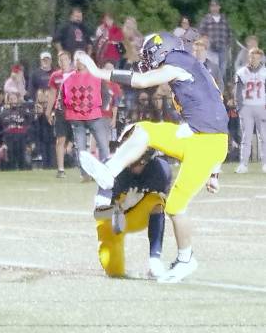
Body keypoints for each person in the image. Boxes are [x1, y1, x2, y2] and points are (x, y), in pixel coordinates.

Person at [78, 32, 228, 283]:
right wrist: (214, 172)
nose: (147, 59)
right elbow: (216, 112)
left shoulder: (179, 63)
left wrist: (97, 71)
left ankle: (185, 259)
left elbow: (140, 81)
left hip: (206, 143)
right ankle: (110, 170)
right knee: (145, 130)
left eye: (149, 54)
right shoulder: (192, 67)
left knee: (175, 206)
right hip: (196, 135)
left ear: (162, 49)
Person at [95, 143, 172, 279]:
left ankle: (155, 260)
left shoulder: (160, 170)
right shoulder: (111, 168)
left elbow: (169, 206)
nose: (136, 165)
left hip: (137, 214)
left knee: (157, 201)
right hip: (114, 217)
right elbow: (98, 213)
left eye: (141, 162)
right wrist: (123, 206)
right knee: (115, 272)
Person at [61, 53, 109, 180]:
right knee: (81, 148)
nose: (78, 62)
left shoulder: (94, 76)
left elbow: (105, 93)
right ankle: (85, 174)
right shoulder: (93, 76)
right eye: (77, 60)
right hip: (78, 118)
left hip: (93, 115)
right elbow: (63, 97)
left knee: (103, 146)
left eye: (80, 60)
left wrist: (101, 108)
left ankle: (105, 172)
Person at [234, 48, 266, 174]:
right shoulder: (242, 72)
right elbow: (238, 92)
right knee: (246, 138)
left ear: (261, 58)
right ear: (249, 57)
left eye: (257, 57)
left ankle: (265, 164)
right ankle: (243, 164)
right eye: (252, 57)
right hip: (246, 107)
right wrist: (240, 108)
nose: (254, 60)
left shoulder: (264, 72)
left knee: (264, 137)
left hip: (261, 107)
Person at [46, 51, 74, 178]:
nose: (63, 62)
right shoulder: (55, 76)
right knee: (60, 138)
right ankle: (61, 169)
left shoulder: (75, 74)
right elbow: (52, 94)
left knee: (77, 137)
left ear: (70, 60)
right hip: (60, 110)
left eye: (65, 59)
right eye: (60, 60)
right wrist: (48, 110)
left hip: (75, 111)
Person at [198, 0, 232, 78]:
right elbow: (201, 33)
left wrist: (228, 45)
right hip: (210, 49)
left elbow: (229, 33)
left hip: (223, 48)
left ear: (219, 7)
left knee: (222, 70)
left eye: (216, 6)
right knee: (212, 70)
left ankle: (220, 88)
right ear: (210, 8)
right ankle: (212, 87)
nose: (214, 8)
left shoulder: (224, 19)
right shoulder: (206, 19)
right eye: (212, 6)